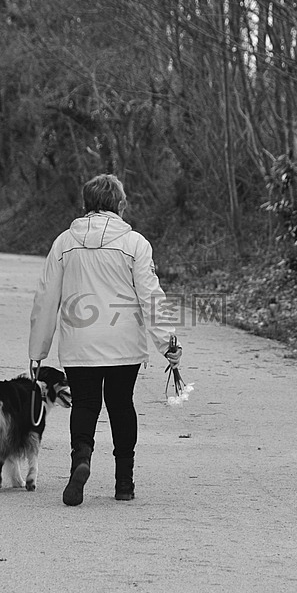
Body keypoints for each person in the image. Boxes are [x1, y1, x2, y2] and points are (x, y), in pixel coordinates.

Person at [28, 174, 183, 506]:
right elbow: (151, 296)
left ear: (85, 206)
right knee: (121, 404)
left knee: (84, 404)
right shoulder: (135, 244)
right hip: (123, 343)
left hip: (79, 343)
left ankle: (81, 460)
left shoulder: (64, 243)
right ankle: (124, 482)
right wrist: (168, 342)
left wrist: (38, 350)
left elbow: (46, 298)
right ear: (121, 205)